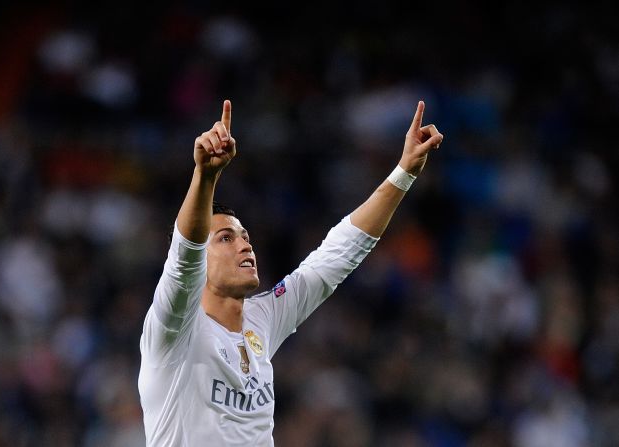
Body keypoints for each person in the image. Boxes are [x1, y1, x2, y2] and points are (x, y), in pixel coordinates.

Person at [138, 99, 443, 446]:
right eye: (226, 238)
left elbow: (337, 255)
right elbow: (184, 259)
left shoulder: (262, 318)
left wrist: (404, 172)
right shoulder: (172, 328)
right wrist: (204, 178)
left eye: (246, 238)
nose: (244, 246)